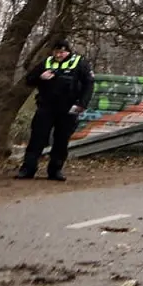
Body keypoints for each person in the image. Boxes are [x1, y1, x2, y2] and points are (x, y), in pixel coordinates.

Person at [15, 39, 93, 181]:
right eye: (56, 51)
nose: (59, 55)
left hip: (69, 108)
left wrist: (82, 103)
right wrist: (40, 77)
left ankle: (55, 171)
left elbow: (89, 85)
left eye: (62, 52)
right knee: (37, 138)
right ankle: (28, 169)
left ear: (68, 51)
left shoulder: (79, 63)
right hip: (46, 106)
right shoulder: (47, 62)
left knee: (61, 140)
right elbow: (29, 80)